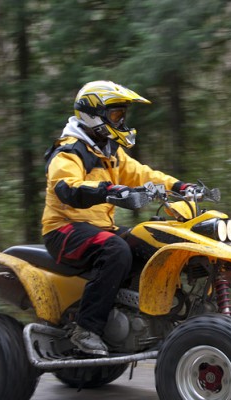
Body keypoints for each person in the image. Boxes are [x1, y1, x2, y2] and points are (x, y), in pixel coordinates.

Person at [42, 80, 193, 356]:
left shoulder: (110, 152)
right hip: (64, 230)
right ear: (92, 114)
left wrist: (179, 186)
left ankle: (158, 319)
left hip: (100, 228)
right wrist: (109, 191)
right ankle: (86, 328)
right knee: (116, 250)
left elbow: (145, 175)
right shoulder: (69, 150)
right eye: (115, 115)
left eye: (122, 115)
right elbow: (67, 188)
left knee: (154, 242)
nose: (121, 120)